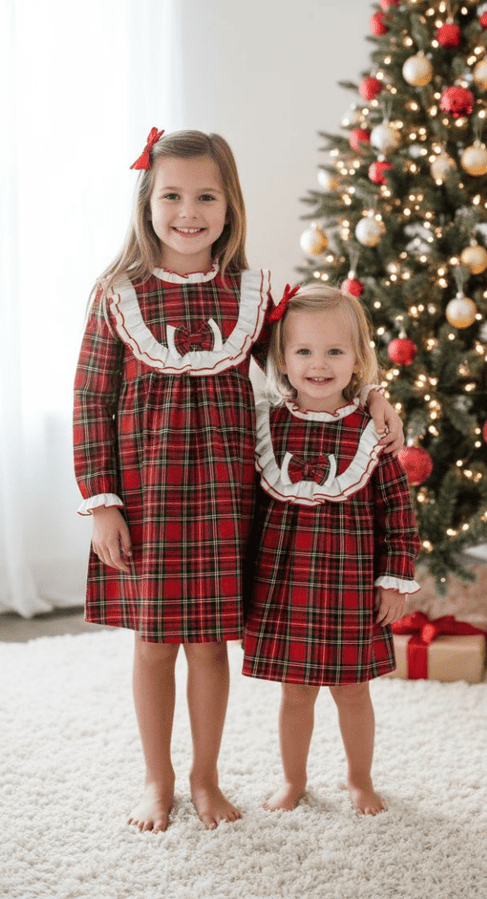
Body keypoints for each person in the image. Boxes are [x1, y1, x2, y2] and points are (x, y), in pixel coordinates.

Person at [73, 129, 405, 833]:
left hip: (228, 501)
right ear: (147, 202)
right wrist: (102, 504)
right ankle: (156, 782)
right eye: (172, 195)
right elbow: (88, 403)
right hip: (148, 501)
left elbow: (313, 368)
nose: (187, 211)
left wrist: (377, 398)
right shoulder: (116, 297)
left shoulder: (253, 297)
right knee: (154, 643)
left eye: (205, 196)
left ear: (229, 208)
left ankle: (204, 780)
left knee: (209, 643)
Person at [242, 283, 421, 816]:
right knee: (294, 694)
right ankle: (293, 781)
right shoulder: (266, 425)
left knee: (352, 693)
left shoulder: (374, 432)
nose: (318, 364)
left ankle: (359, 779)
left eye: (334, 352)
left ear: (358, 360)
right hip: (287, 587)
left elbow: (399, 514)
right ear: (282, 358)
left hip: (349, 591)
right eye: (304, 351)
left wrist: (394, 579)